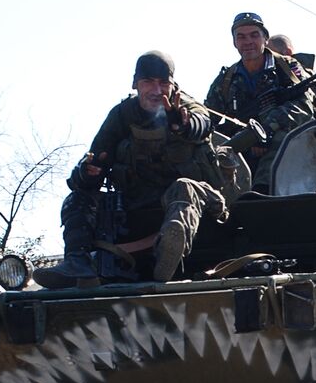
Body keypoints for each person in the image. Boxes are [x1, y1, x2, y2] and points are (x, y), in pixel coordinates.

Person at [37, 51, 238, 288]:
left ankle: (170, 251)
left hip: (201, 203)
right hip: (137, 205)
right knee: (77, 199)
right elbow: (94, 161)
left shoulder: (187, 107)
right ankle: (77, 261)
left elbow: (201, 124)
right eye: (148, 82)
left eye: (163, 83)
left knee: (184, 188)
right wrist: (87, 172)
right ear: (135, 84)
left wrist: (181, 124)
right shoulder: (122, 115)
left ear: (173, 84)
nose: (156, 90)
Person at [205, 12, 316, 191]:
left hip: (289, 140)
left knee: (281, 140)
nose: (248, 41)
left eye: (254, 35)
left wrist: (266, 130)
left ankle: (260, 194)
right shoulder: (227, 79)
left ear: (265, 38)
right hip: (243, 145)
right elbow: (209, 117)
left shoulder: (288, 68)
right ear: (234, 42)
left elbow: (304, 107)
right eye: (241, 37)